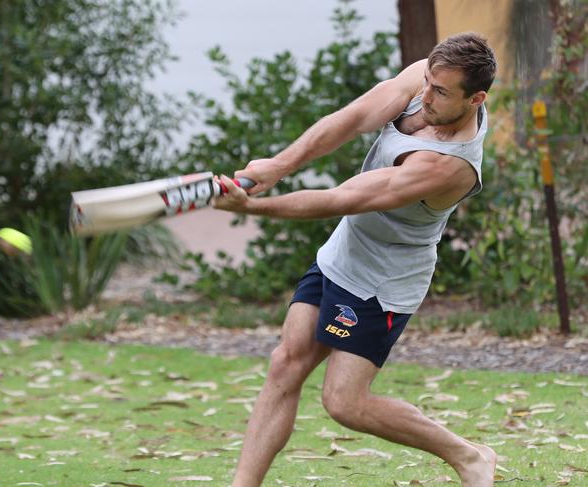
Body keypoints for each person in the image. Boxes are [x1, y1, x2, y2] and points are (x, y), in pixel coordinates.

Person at [213, 32, 498, 487]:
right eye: (426, 81)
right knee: (285, 363)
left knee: (345, 403)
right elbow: (349, 120)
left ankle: (468, 457)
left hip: (381, 282)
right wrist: (278, 166)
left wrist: (253, 207)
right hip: (343, 253)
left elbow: (342, 197)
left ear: (475, 98)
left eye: (440, 92)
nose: (424, 95)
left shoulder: (448, 165)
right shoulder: (429, 77)